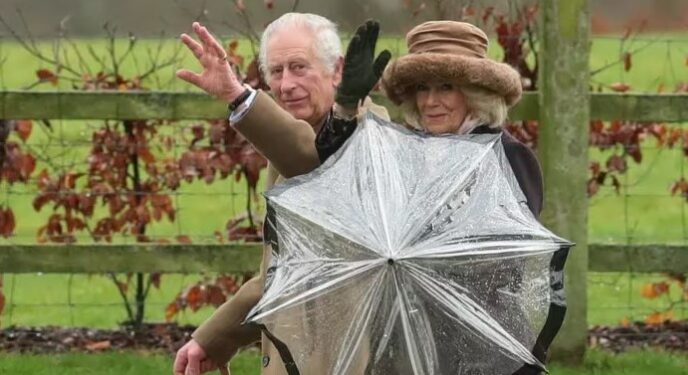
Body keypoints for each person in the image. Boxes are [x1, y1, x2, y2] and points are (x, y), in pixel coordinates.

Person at [316, 20, 559, 374]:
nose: (431, 101)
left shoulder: (507, 157)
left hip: (485, 347)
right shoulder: (404, 150)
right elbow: (341, 175)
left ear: (474, 92)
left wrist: (417, 256)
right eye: (422, 88)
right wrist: (345, 107)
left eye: (446, 87)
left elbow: (507, 258)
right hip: (404, 341)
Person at [172, 14, 389, 375]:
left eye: (299, 67)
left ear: (337, 70)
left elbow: (317, 168)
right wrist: (215, 338)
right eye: (276, 72)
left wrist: (237, 95)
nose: (286, 84)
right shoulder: (295, 138)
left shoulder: (369, 134)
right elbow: (283, 274)